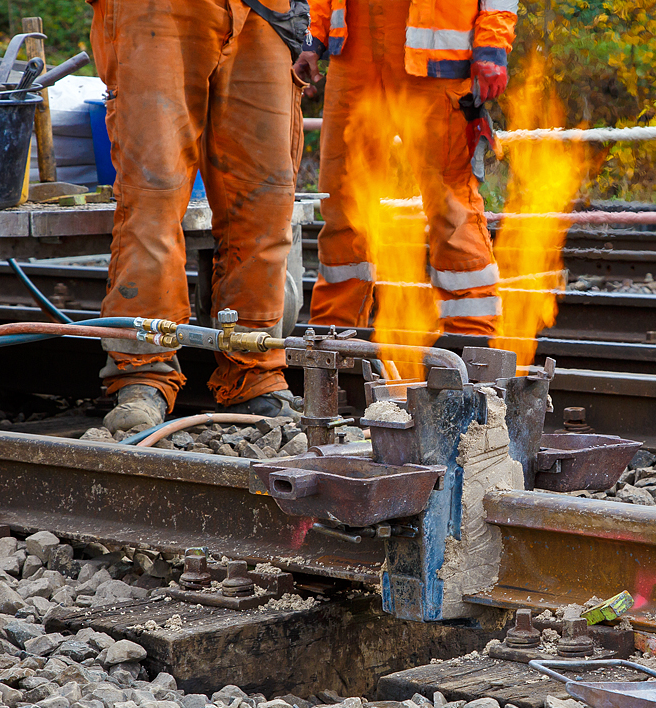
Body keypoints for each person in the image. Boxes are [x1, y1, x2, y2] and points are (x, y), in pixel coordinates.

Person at [89, 0, 305, 432]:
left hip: (266, 11)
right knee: (154, 195)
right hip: (156, 8)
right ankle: (143, 374)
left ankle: (254, 374)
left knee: (265, 201)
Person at [293, 0, 517, 337]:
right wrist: (311, 35)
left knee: (451, 208)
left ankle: (473, 339)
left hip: (436, 60)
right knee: (344, 205)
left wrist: (492, 43)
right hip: (355, 52)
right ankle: (334, 337)